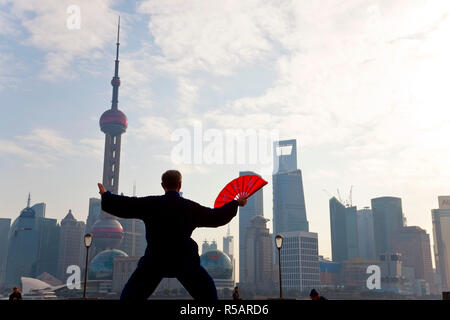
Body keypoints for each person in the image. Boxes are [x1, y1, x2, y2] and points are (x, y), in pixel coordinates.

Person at [97, 170, 247, 301]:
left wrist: (106, 196)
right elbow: (215, 217)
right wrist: (235, 204)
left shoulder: (151, 204)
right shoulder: (190, 207)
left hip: (155, 259)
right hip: (184, 260)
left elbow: (127, 205)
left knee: (131, 296)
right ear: (180, 185)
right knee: (208, 294)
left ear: (163, 185)